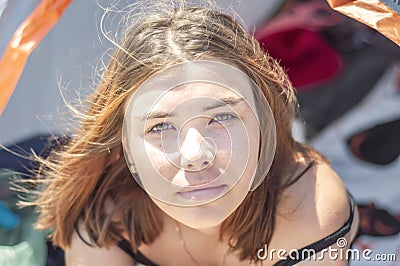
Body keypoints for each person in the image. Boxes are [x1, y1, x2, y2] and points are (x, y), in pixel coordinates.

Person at [30, 1, 359, 265]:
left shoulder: (311, 207)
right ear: (126, 149)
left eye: (222, 117)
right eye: (160, 127)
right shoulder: (102, 212)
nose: (195, 154)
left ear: (265, 122)